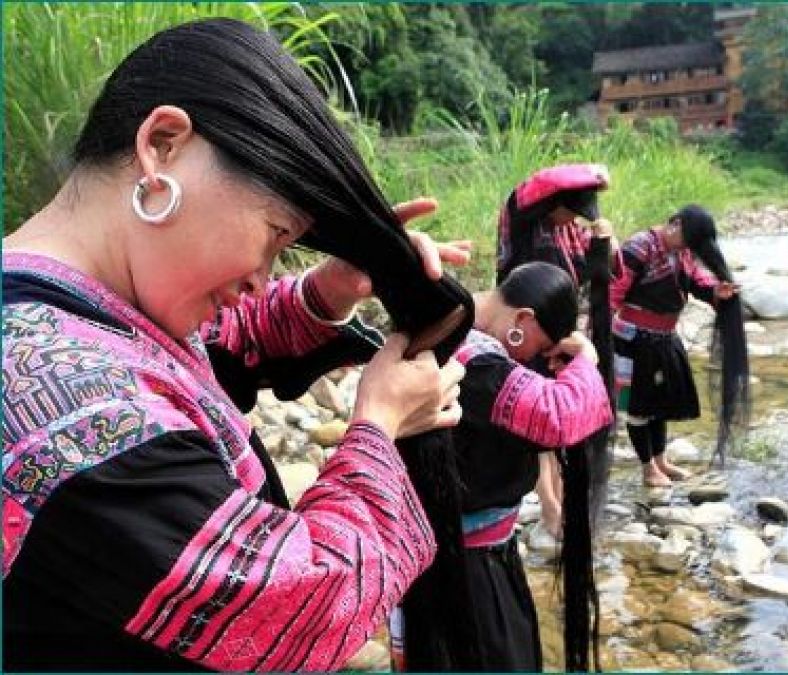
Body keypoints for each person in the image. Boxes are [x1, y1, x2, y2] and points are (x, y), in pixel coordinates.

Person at [2, 18, 474, 672]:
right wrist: (379, 426)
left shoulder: (62, 304)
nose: (263, 276)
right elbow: (307, 605)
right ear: (163, 145)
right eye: (275, 231)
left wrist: (328, 291)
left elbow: (207, 351)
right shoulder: (67, 419)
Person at [391, 262, 613, 671]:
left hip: (443, 552)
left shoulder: (447, 323)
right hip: (470, 568)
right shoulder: (476, 363)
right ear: (523, 320)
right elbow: (557, 416)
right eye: (539, 346)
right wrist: (588, 362)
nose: (532, 359)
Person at [495, 164, 615, 542]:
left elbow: (600, 273)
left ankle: (558, 497)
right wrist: (594, 176)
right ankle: (549, 504)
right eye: (569, 210)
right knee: (539, 422)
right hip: (524, 330)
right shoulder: (520, 221)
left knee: (559, 421)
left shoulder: (570, 233)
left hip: (560, 334)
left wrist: (603, 243)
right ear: (551, 203)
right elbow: (533, 190)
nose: (571, 220)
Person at [610, 205, 740, 487]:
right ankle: (648, 469)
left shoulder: (683, 251)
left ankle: (662, 461)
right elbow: (614, 291)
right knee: (639, 407)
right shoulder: (639, 246)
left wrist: (716, 291)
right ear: (674, 224)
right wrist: (598, 333)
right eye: (687, 239)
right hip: (635, 339)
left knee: (659, 405)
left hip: (664, 338)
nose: (687, 247)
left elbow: (695, 279)